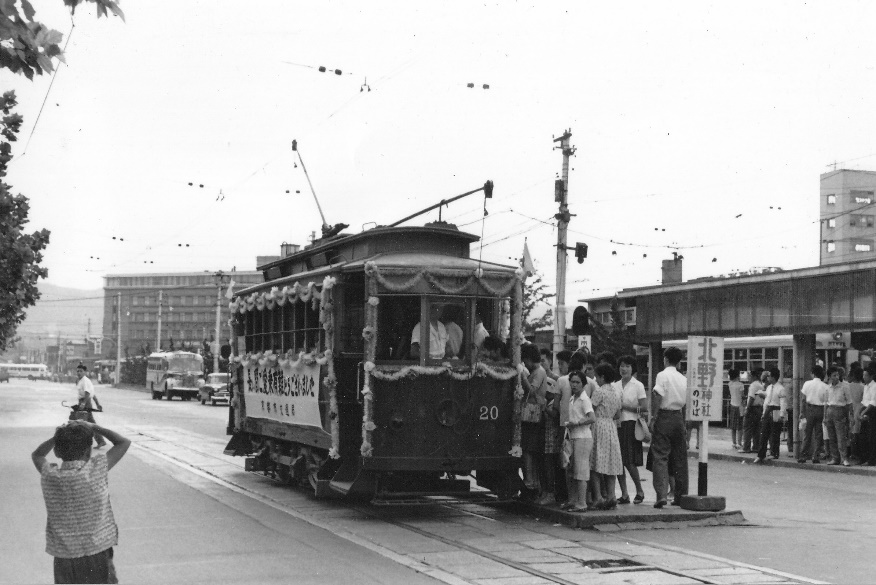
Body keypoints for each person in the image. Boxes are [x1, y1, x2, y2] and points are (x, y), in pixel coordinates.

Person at [32, 420, 131, 584]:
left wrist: (57, 438)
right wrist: (93, 427)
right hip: (97, 552)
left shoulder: (50, 475)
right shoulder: (96, 469)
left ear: (56, 451)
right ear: (88, 451)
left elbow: (37, 455)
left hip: (64, 556)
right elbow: (123, 442)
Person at [649, 346, 689, 508]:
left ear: (665, 359)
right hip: (678, 417)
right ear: (679, 362)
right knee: (680, 458)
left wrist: (653, 417)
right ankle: (681, 495)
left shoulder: (662, 375)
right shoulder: (684, 379)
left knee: (660, 456)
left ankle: (661, 495)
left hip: (664, 416)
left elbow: (658, 395)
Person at [613, 355, 647, 505]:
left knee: (629, 461)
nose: (624, 369)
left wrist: (624, 406)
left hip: (631, 424)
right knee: (618, 461)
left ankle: (639, 490)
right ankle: (624, 493)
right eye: (621, 365)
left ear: (632, 369)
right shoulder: (615, 385)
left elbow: (644, 408)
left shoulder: (638, 385)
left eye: (627, 366)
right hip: (617, 424)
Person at [563, 370, 595, 512]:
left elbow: (592, 418)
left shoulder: (584, 399)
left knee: (581, 471)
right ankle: (572, 500)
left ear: (583, 384)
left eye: (577, 382)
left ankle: (581, 503)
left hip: (583, 437)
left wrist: (577, 423)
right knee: (570, 470)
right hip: (572, 437)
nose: (574, 385)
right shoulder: (572, 398)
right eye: (572, 382)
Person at [519, 343, 547, 497]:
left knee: (529, 449)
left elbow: (532, 390)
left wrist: (523, 377)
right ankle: (530, 480)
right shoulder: (536, 370)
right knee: (527, 449)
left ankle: (531, 481)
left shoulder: (539, 372)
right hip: (530, 413)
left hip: (534, 413)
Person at [753, 368, 787, 463]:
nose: (768, 378)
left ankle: (774, 453)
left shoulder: (780, 388)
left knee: (775, 434)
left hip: (776, 409)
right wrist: (764, 413)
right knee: (763, 433)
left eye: (769, 376)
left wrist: (782, 414)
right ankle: (761, 454)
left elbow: (783, 402)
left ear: (773, 377)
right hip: (768, 409)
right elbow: (766, 401)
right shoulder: (768, 388)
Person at [799, 365, 828, 464]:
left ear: (813, 373)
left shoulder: (807, 384)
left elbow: (803, 400)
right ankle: (815, 456)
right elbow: (826, 402)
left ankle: (803, 455)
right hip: (820, 410)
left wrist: (802, 412)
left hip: (809, 409)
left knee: (807, 434)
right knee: (818, 435)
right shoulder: (825, 386)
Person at [824, 365, 853, 466]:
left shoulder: (844, 387)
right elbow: (826, 403)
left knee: (841, 437)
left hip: (840, 411)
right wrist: (825, 417)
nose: (836, 377)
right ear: (829, 377)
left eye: (837, 375)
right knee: (832, 437)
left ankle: (844, 458)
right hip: (830, 411)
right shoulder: (828, 388)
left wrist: (851, 416)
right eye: (833, 375)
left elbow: (849, 402)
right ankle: (835, 458)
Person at [75, 364, 106, 448]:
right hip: (84, 401)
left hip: (85, 402)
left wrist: (83, 403)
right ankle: (100, 441)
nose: (79, 373)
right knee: (90, 423)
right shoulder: (80, 380)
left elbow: (88, 393)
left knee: (83, 423)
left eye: (81, 371)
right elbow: (93, 393)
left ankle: (83, 443)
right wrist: (97, 403)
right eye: (78, 371)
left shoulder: (85, 380)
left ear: (85, 372)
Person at [739, 368, 765, 453]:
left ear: (753, 376)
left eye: (749, 376)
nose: (748, 378)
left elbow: (751, 397)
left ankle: (746, 447)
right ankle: (756, 447)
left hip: (752, 408)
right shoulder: (760, 385)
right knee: (756, 429)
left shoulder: (753, 385)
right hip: (759, 408)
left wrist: (747, 408)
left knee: (747, 428)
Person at [848, 367, 865, 464]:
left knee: (850, 431)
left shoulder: (848, 386)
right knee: (857, 431)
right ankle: (855, 452)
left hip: (850, 407)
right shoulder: (862, 387)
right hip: (859, 408)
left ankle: (850, 452)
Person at [860, 363, 876, 466]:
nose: (864, 377)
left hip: (872, 411)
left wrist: (864, 412)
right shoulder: (865, 387)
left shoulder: (874, 386)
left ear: (871, 376)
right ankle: (864, 458)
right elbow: (864, 401)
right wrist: (860, 412)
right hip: (865, 410)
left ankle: (872, 459)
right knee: (864, 436)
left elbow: (873, 402)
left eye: (866, 375)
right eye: (863, 375)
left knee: (872, 437)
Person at [728, 369, 744, 450]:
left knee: (733, 426)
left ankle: (734, 443)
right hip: (740, 406)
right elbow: (742, 396)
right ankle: (739, 443)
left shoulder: (730, 384)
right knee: (740, 426)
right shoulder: (741, 385)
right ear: (738, 375)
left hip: (732, 405)